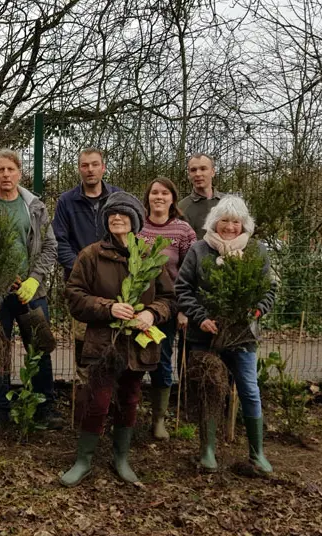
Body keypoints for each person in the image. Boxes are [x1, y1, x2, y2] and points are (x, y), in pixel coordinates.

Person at [62, 192, 175, 487]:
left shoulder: (150, 257)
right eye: (112, 214)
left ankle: (121, 458)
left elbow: (168, 299)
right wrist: (108, 307)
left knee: (130, 399)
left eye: (123, 214)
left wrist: (152, 314)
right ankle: (84, 459)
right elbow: (74, 297)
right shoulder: (90, 255)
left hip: (137, 345)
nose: (116, 218)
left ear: (135, 221)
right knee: (97, 401)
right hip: (103, 343)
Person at [175, 195, 277, 474]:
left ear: (244, 225)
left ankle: (257, 454)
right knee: (209, 388)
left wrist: (256, 312)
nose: (229, 227)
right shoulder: (198, 251)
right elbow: (182, 289)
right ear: (214, 222)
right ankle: (207, 451)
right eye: (224, 220)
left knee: (249, 389)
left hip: (242, 335)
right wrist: (202, 318)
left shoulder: (256, 252)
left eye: (236, 221)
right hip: (203, 335)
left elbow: (269, 290)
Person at [0, 149, 63, 431]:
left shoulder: (35, 206)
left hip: (31, 292)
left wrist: (34, 279)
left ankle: (45, 406)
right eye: (0, 170)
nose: (6, 175)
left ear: (20, 172)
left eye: (11, 169)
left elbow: (50, 246)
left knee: (39, 347)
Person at [136, 178, 196, 440]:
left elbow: (190, 273)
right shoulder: (137, 226)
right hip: (136, 307)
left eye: (164, 193)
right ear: (147, 197)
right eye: (154, 193)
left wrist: (184, 309)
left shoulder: (183, 231)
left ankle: (158, 419)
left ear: (173, 198)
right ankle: (131, 412)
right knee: (133, 360)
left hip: (168, 308)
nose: (158, 197)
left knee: (161, 361)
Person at [52, 148, 122, 281]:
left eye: (95, 164)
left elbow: (128, 237)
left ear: (103, 168)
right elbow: (59, 241)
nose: (90, 169)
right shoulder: (66, 201)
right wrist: (80, 268)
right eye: (85, 165)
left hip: (114, 277)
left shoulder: (118, 197)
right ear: (79, 169)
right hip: (78, 279)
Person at [177, 153, 224, 240]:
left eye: (203, 169)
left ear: (213, 172)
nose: (198, 174)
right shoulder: (181, 208)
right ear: (189, 174)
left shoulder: (228, 203)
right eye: (193, 170)